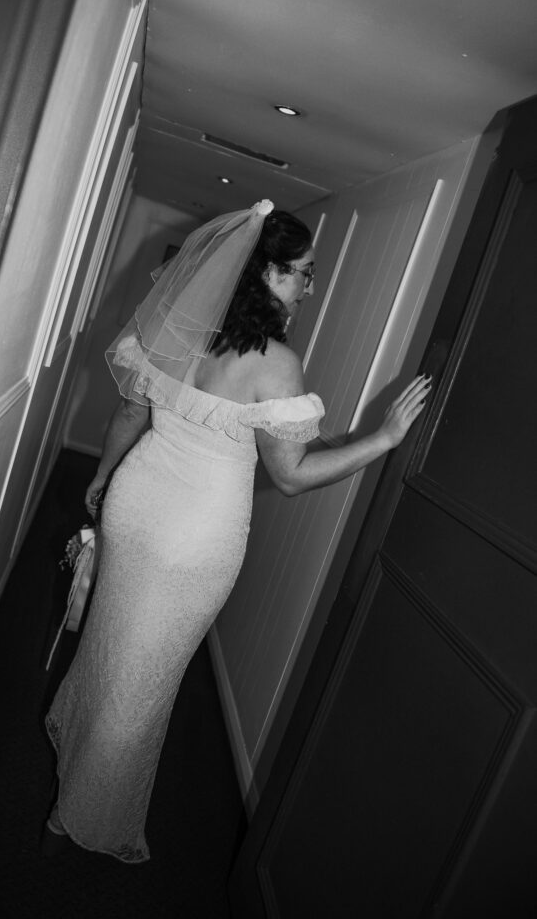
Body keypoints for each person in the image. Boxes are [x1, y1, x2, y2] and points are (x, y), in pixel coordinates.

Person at [42, 200, 430, 861]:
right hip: (194, 538)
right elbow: (292, 474)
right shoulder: (273, 361)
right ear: (262, 274)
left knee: (116, 643)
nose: (309, 287)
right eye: (300, 274)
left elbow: (130, 414)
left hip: (136, 504)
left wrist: (105, 476)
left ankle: (75, 743)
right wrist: (382, 439)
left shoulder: (178, 330)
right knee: (148, 677)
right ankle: (79, 813)